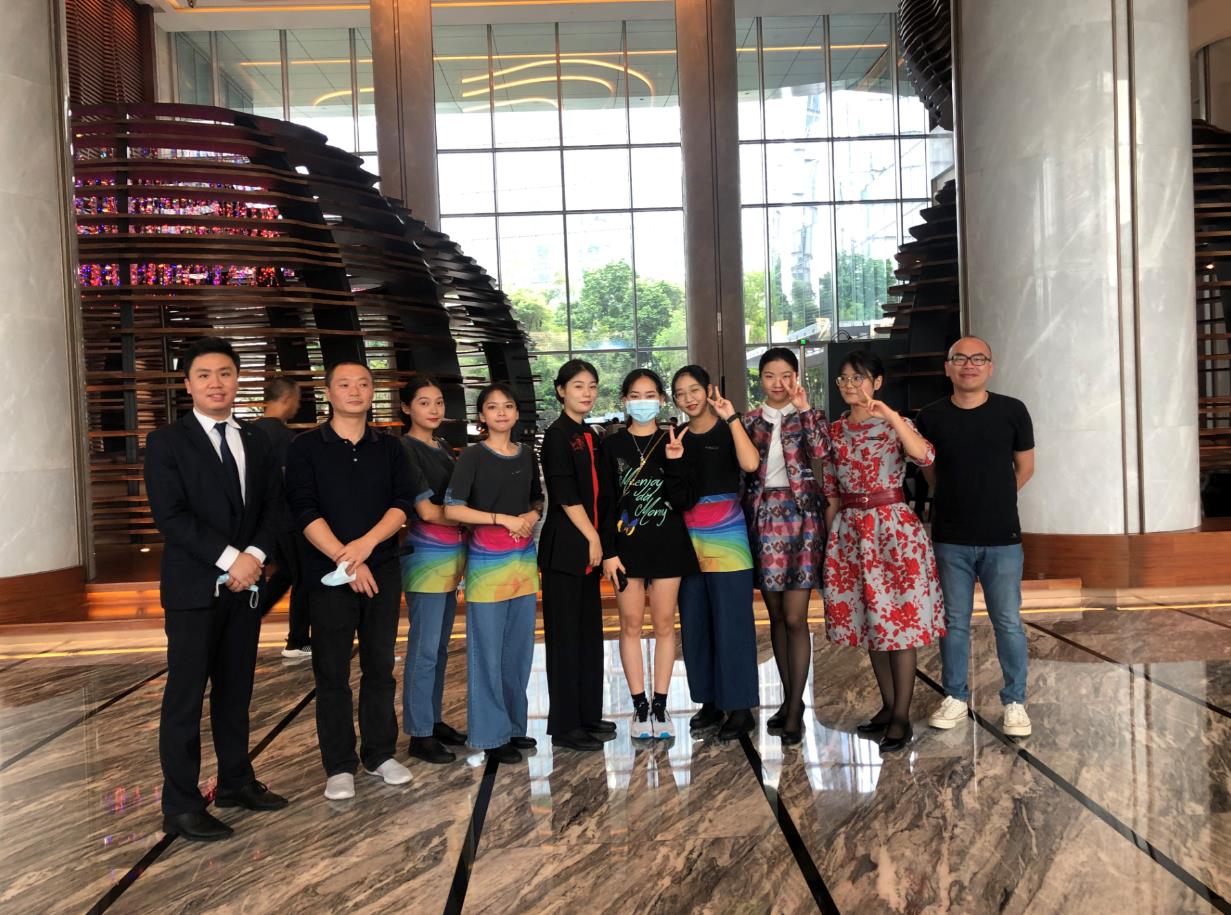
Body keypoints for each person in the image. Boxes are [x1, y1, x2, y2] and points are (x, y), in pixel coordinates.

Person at [143, 336, 288, 842]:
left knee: (236, 691)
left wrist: (256, 555)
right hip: (194, 590)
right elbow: (171, 516)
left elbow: (274, 507)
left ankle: (235, 782)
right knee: (185, 697)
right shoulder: (166, 442)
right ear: (187, 384)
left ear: (237, 380)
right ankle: (181, 805)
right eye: (204, 375)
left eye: (225, 373)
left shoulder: (257, 440)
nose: (216, 383)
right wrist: (234, 559)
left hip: (244, 589)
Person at [285, 361, 417, 800]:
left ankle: (379, 754)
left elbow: (402, 503)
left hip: (382, 570)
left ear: (372, 392)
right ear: (329, 393)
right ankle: (339, 765)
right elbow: (303, 509)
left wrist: (365, 548)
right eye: (344, 384)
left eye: (363, 383)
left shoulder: (390, 447)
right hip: (328, 574)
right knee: (332, 672)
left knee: (380, 665)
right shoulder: (306, 447)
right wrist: (347, 561)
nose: (354, 391)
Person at [821, 351, 945, 754]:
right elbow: (831, 490)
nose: (850, 386)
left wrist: (891, 416)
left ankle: (902, 716)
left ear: (876, 382)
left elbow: (925, 456)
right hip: (851, 533)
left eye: (858, 378)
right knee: (871, 621)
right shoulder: (834, 431)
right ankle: (889, 706)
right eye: (843, 379)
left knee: (899, 622)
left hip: (893, 530)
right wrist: (830, 544)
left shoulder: (897, 424)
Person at [916, 336, 1036, 738]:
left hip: (1003, 537)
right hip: (950, 537)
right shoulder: (931, 416)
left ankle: (1015, 701)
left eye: (978, 358)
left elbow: (1026, 467)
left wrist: (996, 498)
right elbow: (930, 472)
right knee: (954, 622)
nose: (969, 365)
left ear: (990, 366)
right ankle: (954, 696)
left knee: (1008, 621)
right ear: (947, 367)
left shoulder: (1012, 410)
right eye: (960, 358)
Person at [444, 383, 543, 764]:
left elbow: (537, 498)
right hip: (487, 562)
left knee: (518, 649)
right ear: (481, 416)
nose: (501, 412)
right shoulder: (472, 455)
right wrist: (502, 519)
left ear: (516, 413)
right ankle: (490, 733)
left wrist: (531, 515)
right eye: (492, 407)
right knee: (487, 651)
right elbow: (453, 508)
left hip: (523, 561)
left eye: (508, 406)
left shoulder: (527, 454)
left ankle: (514, 727)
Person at [600, 369, 699, 741]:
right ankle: (639, 705)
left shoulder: (674, 439)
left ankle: (661, 704)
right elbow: (605, 503)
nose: (643, 402)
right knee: (629, 625)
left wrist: (675, 461)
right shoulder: (611, 446)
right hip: (625, 549)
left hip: (668, 545)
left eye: (650, 395)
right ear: (625, 401)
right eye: (635, 396)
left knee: (664, 625)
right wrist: (609, 551)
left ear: (661, 400)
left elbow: (683, 500)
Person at [666, 365, 761, 741]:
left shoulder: (728, 428)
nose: (688, 398)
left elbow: (750, 464)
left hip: (728, 540)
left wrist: (732, 418)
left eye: (694, 390)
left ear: (708, 390)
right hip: (686, 541)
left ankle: (740, 707)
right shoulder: (676, 437)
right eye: (680, 393)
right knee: (695, 624)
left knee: (733, 624)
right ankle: (709, 701)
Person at [742, 347, 832, 743]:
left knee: (796, 617)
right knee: (776, 616)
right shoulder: (749, 421)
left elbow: (822, 452)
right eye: (770, 376)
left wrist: (805, 409)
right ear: (760, 379)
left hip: (802, 519)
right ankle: (788, 699)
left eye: (786, 376)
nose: (778, 383)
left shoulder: (809, 415)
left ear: (796, 378)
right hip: (763, 519)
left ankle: (795, 706)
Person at [537, 360, 614, 753]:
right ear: (561, 390)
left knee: (588, 636)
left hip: (589, 548)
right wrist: (593, 538)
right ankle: (566, 725)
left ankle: (587, 714)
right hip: (567, 549)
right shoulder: (556, 435)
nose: (587, 392)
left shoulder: (590, 434)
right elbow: (565, 494)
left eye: (592, 386)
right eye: (578, 385)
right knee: (565, 639)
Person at [397, 377, 469, 764]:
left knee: (439, 647)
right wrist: (475, 517)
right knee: (424, 648)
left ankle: (433, 719)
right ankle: (419, 733)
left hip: (452, 554)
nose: (434, 409)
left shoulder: (441, 446)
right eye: (424, 402)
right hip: (426, 555)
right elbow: (426, 511)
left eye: (439, 402)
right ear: (406, 408)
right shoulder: (404, 449)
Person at [252, 377, 311, 660]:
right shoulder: (283, 437)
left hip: (261, 521)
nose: (297, 406)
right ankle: (297, 641)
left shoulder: (250, 432)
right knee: (302, 577)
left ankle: (248, 620)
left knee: (286, 573)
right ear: (286, 398)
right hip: (287, 520)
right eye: (297, 399)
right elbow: (291, 481)